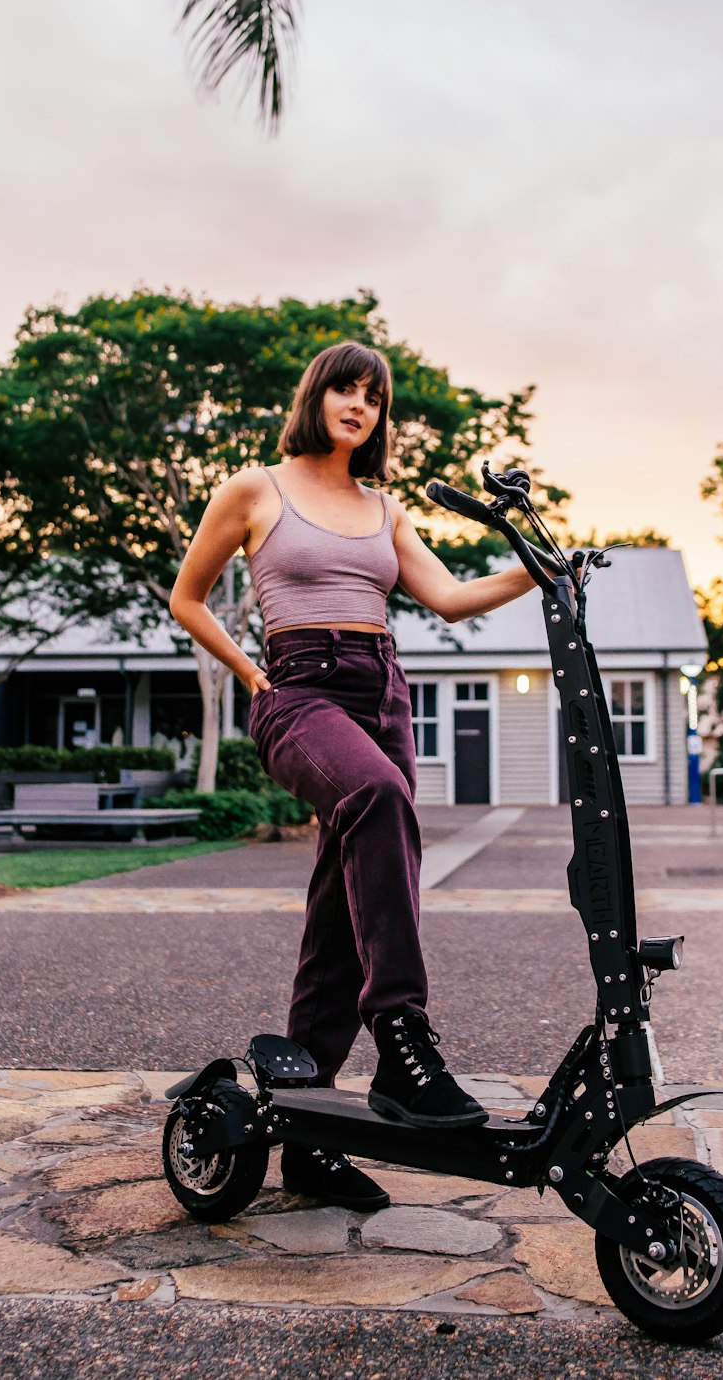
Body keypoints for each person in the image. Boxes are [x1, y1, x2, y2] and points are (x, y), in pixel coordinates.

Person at [169, 340, 536, 1210]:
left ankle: (306, 1135)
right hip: (299, 690)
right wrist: (252, 675)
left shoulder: (384, 507)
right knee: (377, 799)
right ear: (316, 395)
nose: (359, 404)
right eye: (345, 387)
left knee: (342, 906)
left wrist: (538, 571)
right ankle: (402, 1037)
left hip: (381, 691)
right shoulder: (256, 488)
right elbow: (188, 594)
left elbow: (446, 596)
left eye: (374, 397)